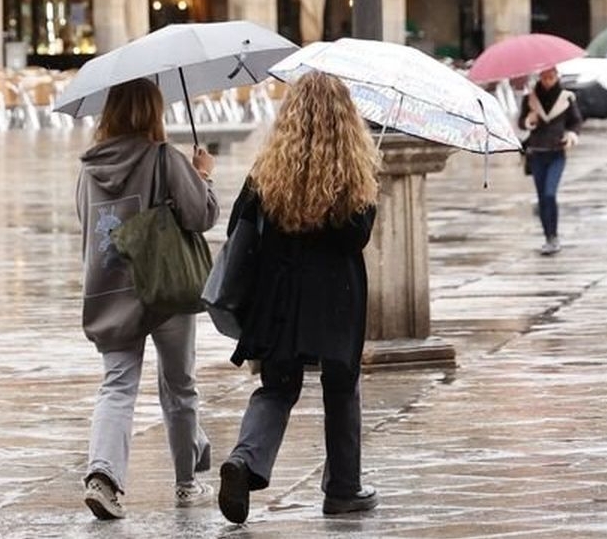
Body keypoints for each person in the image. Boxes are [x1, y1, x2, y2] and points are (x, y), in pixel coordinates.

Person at [217, 71, 380, 525]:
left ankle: (246, 460)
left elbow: (238, 230)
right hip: (337, 296)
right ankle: (344, 489)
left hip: (280, 294)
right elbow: (356, 238)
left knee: (277, 386)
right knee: (341, 386)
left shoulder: (268, 168)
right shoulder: (353, 172)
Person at [74, 78, 219, 519]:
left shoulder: (89, 168)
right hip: (165, 284)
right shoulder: (163, 157)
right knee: (179, 386)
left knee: (117, 385)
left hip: (111, 288)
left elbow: (86, 224)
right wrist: (203, 177)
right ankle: (185, 484)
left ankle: (103, 476)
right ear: (153, 112)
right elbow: (201, 215)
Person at [518, 66, 582, 256]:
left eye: (551, 77)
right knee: (541, 198)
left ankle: (554, 236)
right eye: (544, 77)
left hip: (556, 153)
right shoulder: (530, 99)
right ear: (540, 77)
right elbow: (521, 122)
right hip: (537, 153)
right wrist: (529, 119)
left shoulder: (566, 98)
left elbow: (576, 121)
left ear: (556, 77)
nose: (548, 81)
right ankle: (548, 237)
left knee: (549, 194)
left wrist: (571, 134)